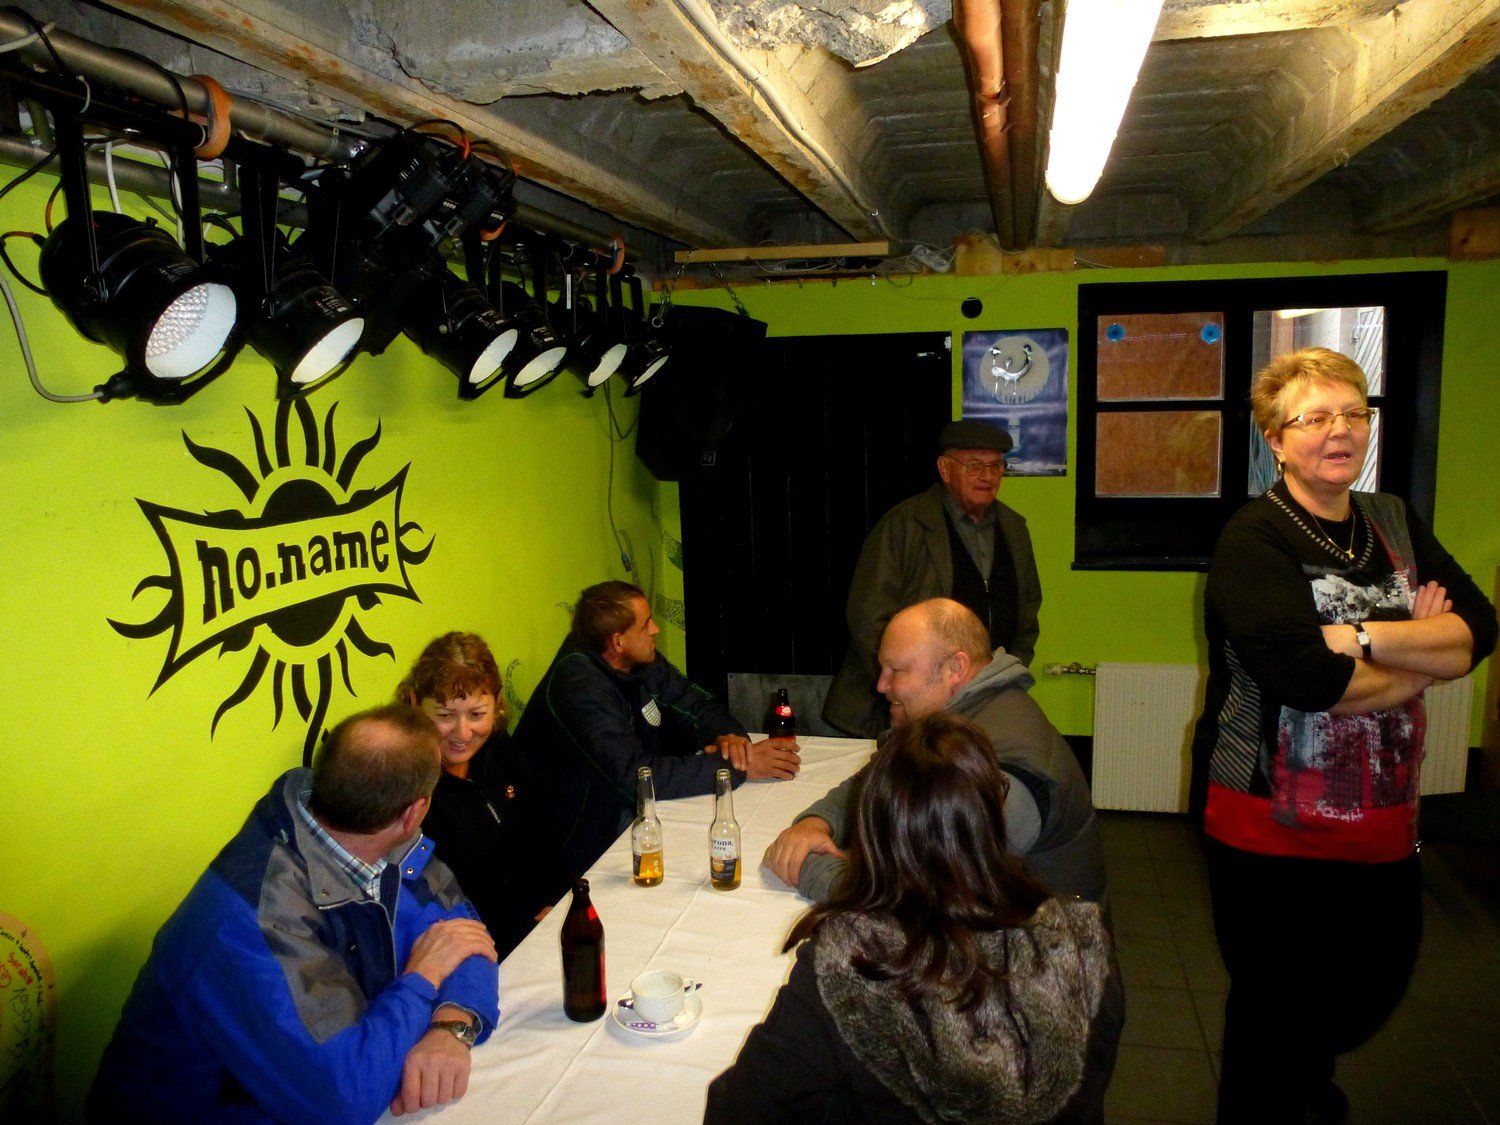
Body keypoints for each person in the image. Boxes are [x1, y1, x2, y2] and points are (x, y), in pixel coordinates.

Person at [1190, 347, 1496, 1124]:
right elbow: (1307, 681)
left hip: (1383, 817)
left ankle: (1305, 1087)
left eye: (1354, 413)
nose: (1340, 430)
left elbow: (1480, 628)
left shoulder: (1391, 520)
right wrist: (1423, 656)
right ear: (1276, 439)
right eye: (1315, 417)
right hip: (1268, 823)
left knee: (1369, 990)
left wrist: (1360, 638)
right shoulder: (1255, 538)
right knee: (1275, 1015)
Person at [89, 704, 501, 1123]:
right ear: (414, 811)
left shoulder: (376, 831)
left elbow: (464, 935)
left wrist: (451, 1023)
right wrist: (423, 977)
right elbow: (343, 1099)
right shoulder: (251, 922)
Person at [707, 713, 1123, 1123]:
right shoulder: (1084, 943)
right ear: (995, 813)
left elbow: (739, 1108)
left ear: (872, 834)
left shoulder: (847, 965)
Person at [766, 598, 1105, 906]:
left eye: (896, 670)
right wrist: (817, 823)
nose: (881, 685)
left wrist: (809, 868)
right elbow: (881, 778)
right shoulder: (961, 718)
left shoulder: (1007, 769)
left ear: (955, 669)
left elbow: (920, 899)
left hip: (1039, 949)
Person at [513, 580, 801, 885]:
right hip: (575, 841)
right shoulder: (580, 688)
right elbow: (635, 777)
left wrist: (731, 740)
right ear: (618, 642)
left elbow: (695, 703)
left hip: (623, 812)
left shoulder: (631, 656)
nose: (655, 629)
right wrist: (735, 768)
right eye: (646, 624)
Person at [824, 418, 1041, 737]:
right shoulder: (905, 525)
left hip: (983, 707)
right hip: (900, 711)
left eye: (996, 466)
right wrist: (906, 689)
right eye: (975, 466)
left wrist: (1003, 681)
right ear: (945, 469)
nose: (987, 476)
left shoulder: (1014, 529)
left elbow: (1027, 614)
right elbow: (868, 617)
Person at [400, 631, 560, 960]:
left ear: (496, 704)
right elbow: (442, 902)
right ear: (415, 703)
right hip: (480, 952)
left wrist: (559, 902)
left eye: (477, 714)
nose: (462, 733)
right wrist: (528, 926)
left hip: (541, 925)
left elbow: (544, 835)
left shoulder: (500, 751)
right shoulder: (408, 788)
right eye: (444, 716)